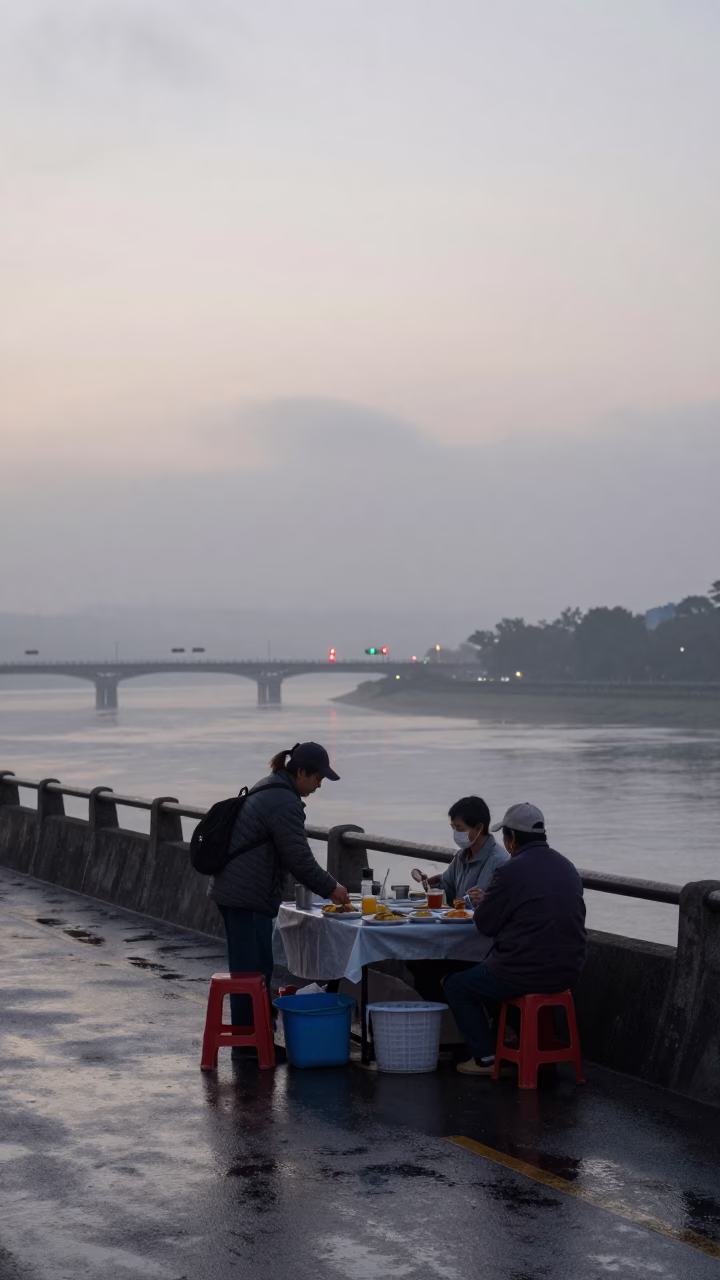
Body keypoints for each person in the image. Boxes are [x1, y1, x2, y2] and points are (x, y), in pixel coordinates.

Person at [209, 742, 350, 1038]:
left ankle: (253, 1037)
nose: (319, 785)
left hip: (236, 890)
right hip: (246, 895)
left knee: (250, 971)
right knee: (253, 973)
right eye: (317, 778)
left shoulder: (271, 787)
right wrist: (332, 888)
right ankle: (251, 1043)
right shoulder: (284, 802)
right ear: (301, 773)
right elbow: (298, 858)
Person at [443, 802, 586, 1076]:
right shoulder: (567, 867)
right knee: (486, 973)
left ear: (512, 839)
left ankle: (485, 1057)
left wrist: (487, 903)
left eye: (506, 836)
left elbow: (485, 924)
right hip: (569, 970)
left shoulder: (510, 870)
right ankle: (509, 1041)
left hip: (523, 971)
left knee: (457, 985)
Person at [422, 795, 508, 906]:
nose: (456, 833)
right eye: (454, 828)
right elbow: (449, 893)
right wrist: (434, 886)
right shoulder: (461, 857)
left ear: (478, 828)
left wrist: (486, 900)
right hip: (458, 920)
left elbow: (505, 904)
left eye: (460, 829)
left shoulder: (500, 861)